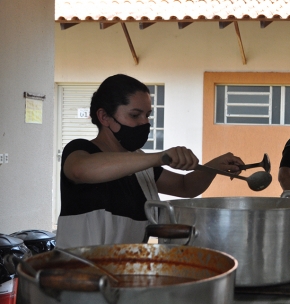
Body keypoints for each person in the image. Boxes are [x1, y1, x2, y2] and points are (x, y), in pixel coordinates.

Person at [56, 74, 244, 248]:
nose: (144, 123)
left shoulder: (141, 165)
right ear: (104, 117)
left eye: (148, 115)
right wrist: (160, 157)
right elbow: (80, 170)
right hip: (79, 276)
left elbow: (186, 186)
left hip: (125, 275)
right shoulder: (80, 150)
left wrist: (213, 166)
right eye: (135, 115)